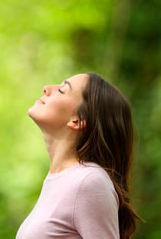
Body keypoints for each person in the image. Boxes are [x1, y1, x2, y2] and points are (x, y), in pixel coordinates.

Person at [16, 73, 144, 239]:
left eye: (62, 90)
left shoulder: (88, 181)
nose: (46, 88)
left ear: (78, 120)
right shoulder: (60, 180)